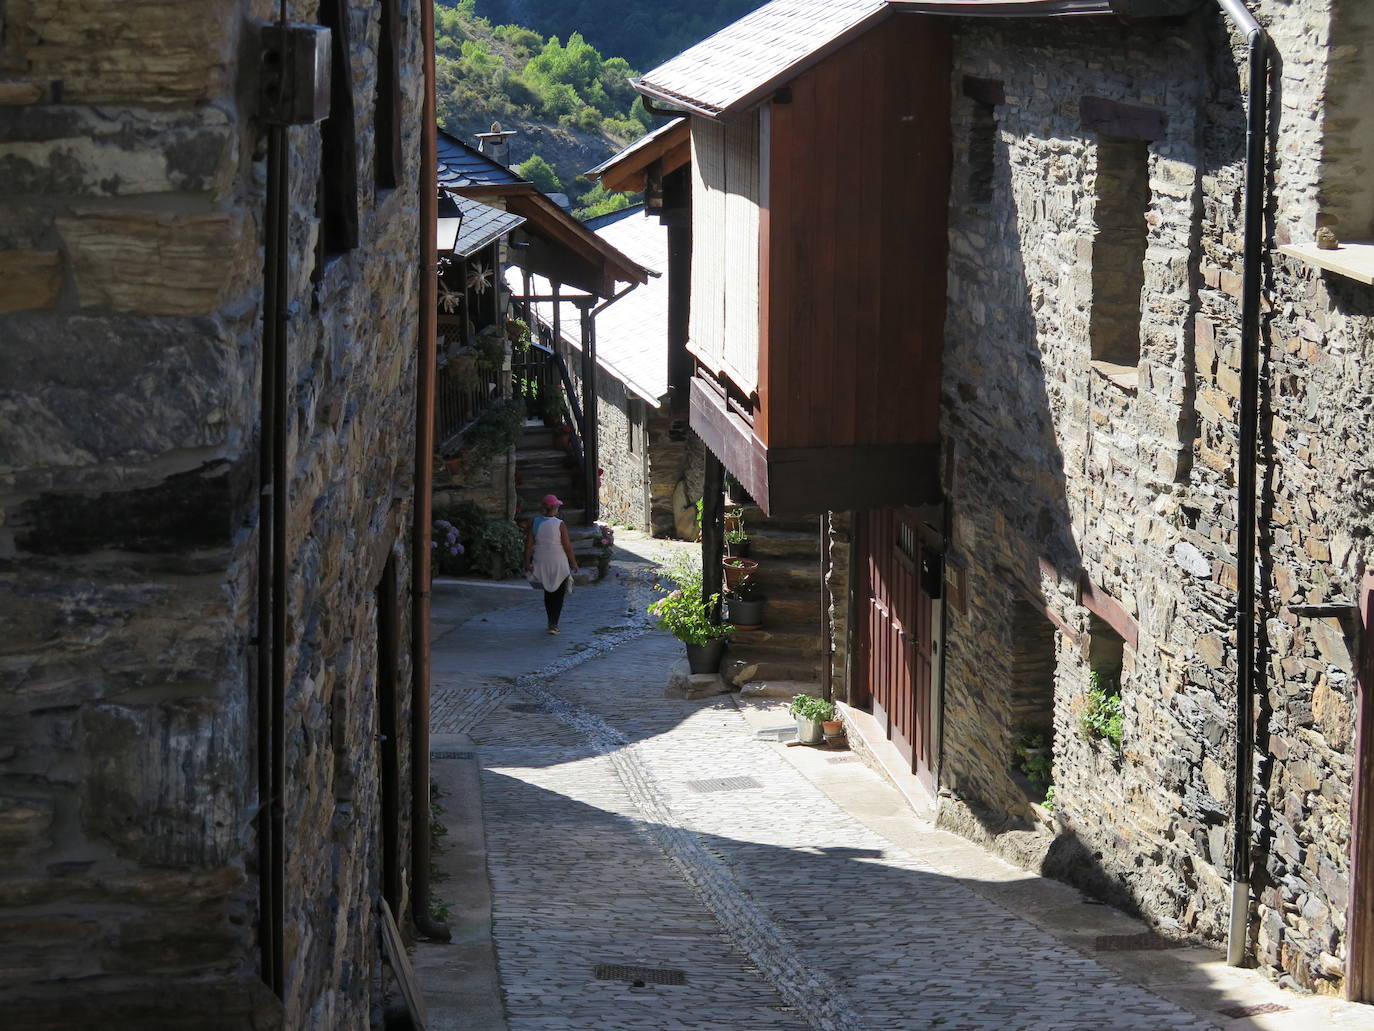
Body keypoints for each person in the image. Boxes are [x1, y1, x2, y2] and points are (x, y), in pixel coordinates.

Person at [524, 494, 579, 634]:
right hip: (558, 562)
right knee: (559, 594)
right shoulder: (559, 524)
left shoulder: (535, 522)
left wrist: (527, 562)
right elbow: (567, 546)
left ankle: (550, 622)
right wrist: (573, 563)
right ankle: (554, 624)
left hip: (542, 561)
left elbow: (529, 545)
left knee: (548, 592)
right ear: (555, 508)